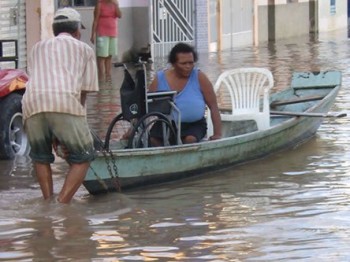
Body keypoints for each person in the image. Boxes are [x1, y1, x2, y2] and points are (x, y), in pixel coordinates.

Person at [22, 8, 99, 204]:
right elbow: (84, 91)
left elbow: (39, 83)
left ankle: (47, 201)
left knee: (41, 157)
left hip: (31, 105)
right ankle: (61, 204)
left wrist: (56, 131)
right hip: (65, 102)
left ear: (55, 30)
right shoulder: (84, 49)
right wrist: (79, 122)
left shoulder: (36, 47)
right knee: (84, 155)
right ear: (77, 31)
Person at [148, 42, 222, 145]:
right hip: (166, 124)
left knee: (189, 140)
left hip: (194, 125)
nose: (188, 66)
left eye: (191, 63)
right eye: (183, 63)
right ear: (173, 64)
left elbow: (213, 106)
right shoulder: (160, 78)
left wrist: (217, 134)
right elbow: (146, 107)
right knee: (153, 140)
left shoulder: (200, 77)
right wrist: (131, 131)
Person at [90, 0, 122, 82]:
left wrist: (117, 5)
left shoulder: (114, 4)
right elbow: (95, 20)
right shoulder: (99, 4)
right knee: (101, 56)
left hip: (113, 33)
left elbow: (120, 15)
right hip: (102, 33)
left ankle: (108, 76)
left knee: (109, 55)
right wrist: (93, 34)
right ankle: (101, 76)